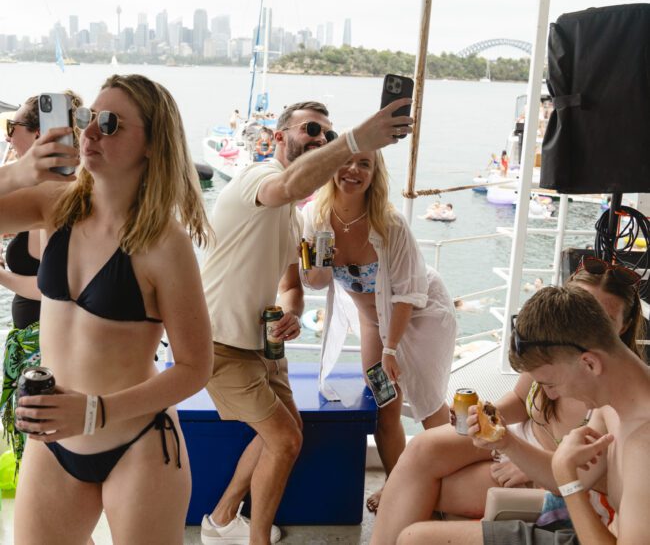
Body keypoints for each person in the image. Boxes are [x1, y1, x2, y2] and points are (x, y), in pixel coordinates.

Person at [0, 74, 213, 544]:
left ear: (154, 145)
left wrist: (96, 412)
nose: (90, 132)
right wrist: (20, 172)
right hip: (54, 441)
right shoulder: (56, 206)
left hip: (136, 442)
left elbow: (197, 367)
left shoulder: (164, 244)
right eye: (86, 118)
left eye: (111, 123)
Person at [200, 97, 413, 544]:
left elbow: (293, 285)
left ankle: (221, 519)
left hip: (262, 344)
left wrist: (293, 314)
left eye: (326, 135)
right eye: (310, 131)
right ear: (279, 137)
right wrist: (359, 139)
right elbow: (292, 185)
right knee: (285, 440)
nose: (319, 139)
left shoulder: (296, 220)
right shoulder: (259, 178)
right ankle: (254, 539)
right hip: (221, 342)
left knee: (288, 431)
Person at [371, 260, 645, 544]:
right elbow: (588, 474)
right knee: (422, 456)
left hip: (565, 498)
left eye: (551, 384)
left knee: (420, 513)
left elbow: (584, 481)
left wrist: (566, 481)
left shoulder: (635, 433)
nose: (551, 394)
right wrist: (501, 437)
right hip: (546, 466)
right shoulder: (601, 395)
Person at [301, 149, 456, 513]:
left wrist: (391, 349)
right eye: (346, 161)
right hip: (374, 321)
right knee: (385, 399)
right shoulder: (313, 216)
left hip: (420, 313)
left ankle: (444, 483)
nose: (353, 170)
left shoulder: (390, 223)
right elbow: (316, 283)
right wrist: (320, 257)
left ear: (374, 174)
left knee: (429, 399)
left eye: (365, 164)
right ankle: (397, 484)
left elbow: (407, 293)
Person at [1, 91, 82, 466]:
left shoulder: (52, 195)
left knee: (40, 454)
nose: (6, 136)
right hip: (40, 342)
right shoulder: (43, 190)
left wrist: (1, 275)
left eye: (11, 127)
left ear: (38, 136)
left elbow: (48, 287)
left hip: (42, 347)